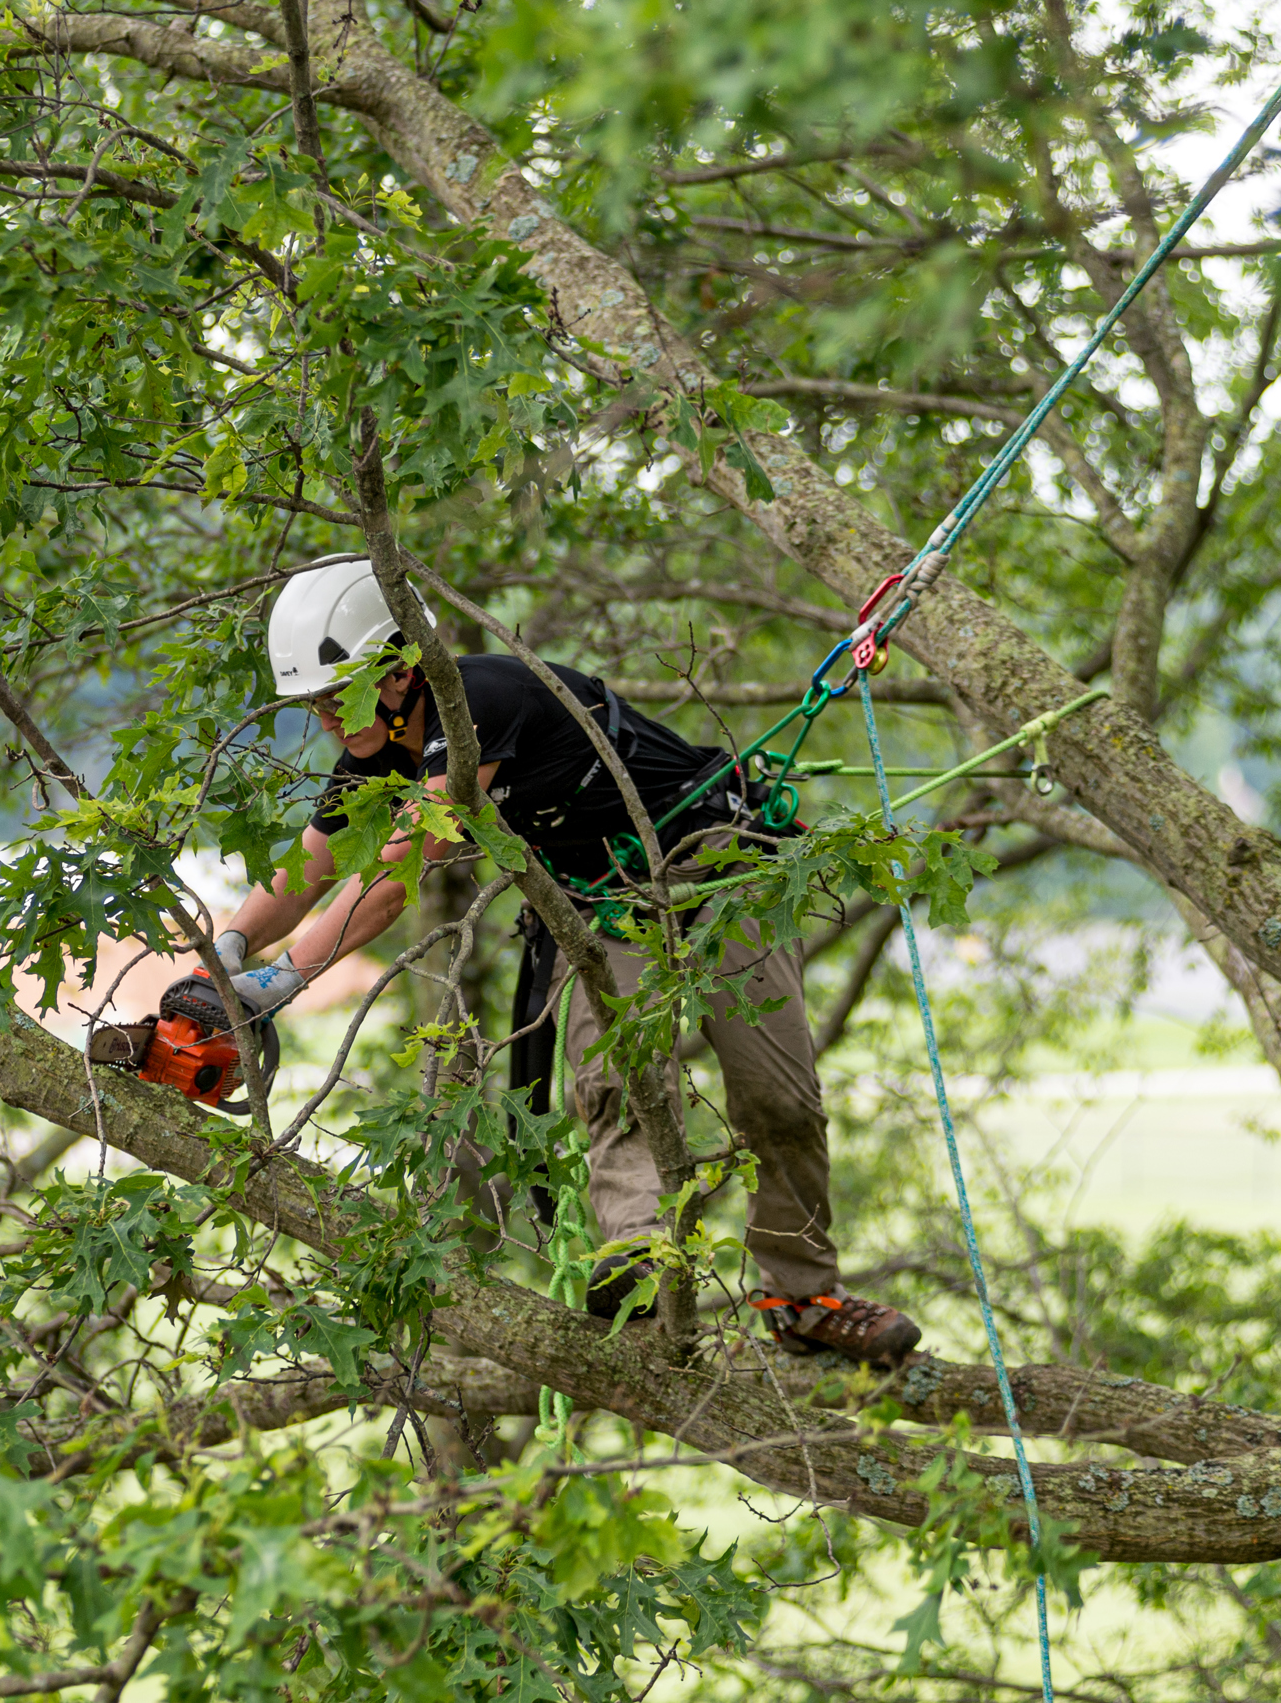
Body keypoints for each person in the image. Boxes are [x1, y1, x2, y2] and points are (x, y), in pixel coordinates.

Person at [199, 559, 921, 1368]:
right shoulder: (374, 755)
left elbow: (404, 867)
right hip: (603, 898)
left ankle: (802, 1299)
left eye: (342, 695)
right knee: (614, 1082)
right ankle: (644, 1262)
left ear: (402, 663)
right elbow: (308, 871)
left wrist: (287, 977)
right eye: (318, 705)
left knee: (775, 1095)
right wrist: (226, 952)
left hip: (719, 867)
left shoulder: (483, 699)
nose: (331, 719)